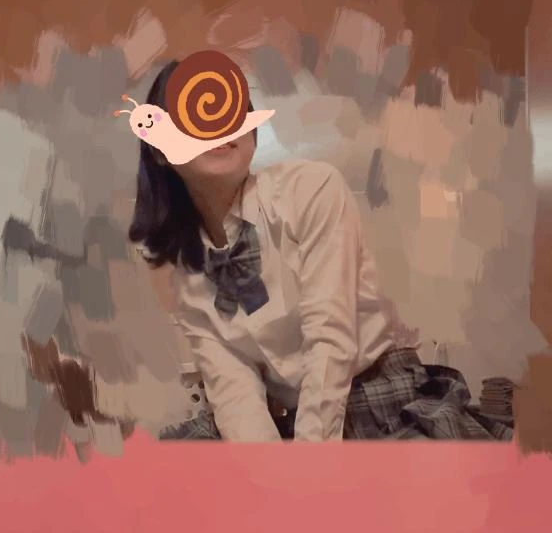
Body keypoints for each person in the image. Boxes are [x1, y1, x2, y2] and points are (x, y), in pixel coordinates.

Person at [129, 60, 513, 442]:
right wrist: (269, 470)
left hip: (382, 400)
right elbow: (234, 392)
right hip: (297, 420)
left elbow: (329, 341)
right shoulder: (188, 276)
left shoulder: (310, 189)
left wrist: (310, 463)